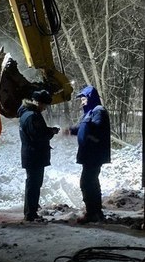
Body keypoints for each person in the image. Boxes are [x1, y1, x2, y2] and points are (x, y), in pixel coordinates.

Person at [67, 85, 111, 224]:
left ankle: (92, 213)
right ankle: (95, 211)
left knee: (86, 183)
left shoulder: (99, 111)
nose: (82, 101)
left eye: (84, 98)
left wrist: (87, 136)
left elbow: (95, 129)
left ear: (91, 98)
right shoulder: (91, 112)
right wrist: (70, 131)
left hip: (94, 154)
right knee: (91, 182)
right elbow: (83, 128)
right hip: (89, 154)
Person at [18, 89, 60, 222]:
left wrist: (49, 130)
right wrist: (51, 133)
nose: (45, 108)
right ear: (37, 102)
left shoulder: (26, 113)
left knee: (33, 183)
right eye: (44, 105)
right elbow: (37, 136)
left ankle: (30, 211)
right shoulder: (32, 116)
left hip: (31, 154)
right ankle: (30, 213)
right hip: (34, 155)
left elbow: (37, 131)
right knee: (34, 184)